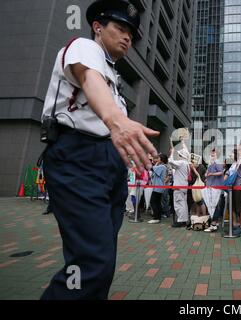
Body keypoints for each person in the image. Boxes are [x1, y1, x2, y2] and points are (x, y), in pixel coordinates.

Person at [40, 0, 158, 300]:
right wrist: (117, 120)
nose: (127, 37)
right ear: (97, 27)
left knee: (101, 258)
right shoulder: (84, 47)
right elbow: (87, 78)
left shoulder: (113, 75)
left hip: (107, 164)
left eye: (131, 33)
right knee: (92, 262)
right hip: (78, 158)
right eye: (120, 28)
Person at [169, 147, 190, 228]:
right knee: (183, 203)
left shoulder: (181, 162)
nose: (178, 155)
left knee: (179, 204)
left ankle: (181, 221)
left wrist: (171, 153)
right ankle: (184, 220)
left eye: (179, 154)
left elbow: (170, 161)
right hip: (184, 186)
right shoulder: (186, 163)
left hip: (179, 186)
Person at [148, 154, 167, 224]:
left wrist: (152, 161)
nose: (157, 159)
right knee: (157, 202)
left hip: (158, 187)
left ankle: (156, 217)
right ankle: (158, 216)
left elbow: (152, 168)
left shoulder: (162, 166)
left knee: (153, 201)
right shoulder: (161, 166)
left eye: (158, 158)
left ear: (161, 159)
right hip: (158, 187)